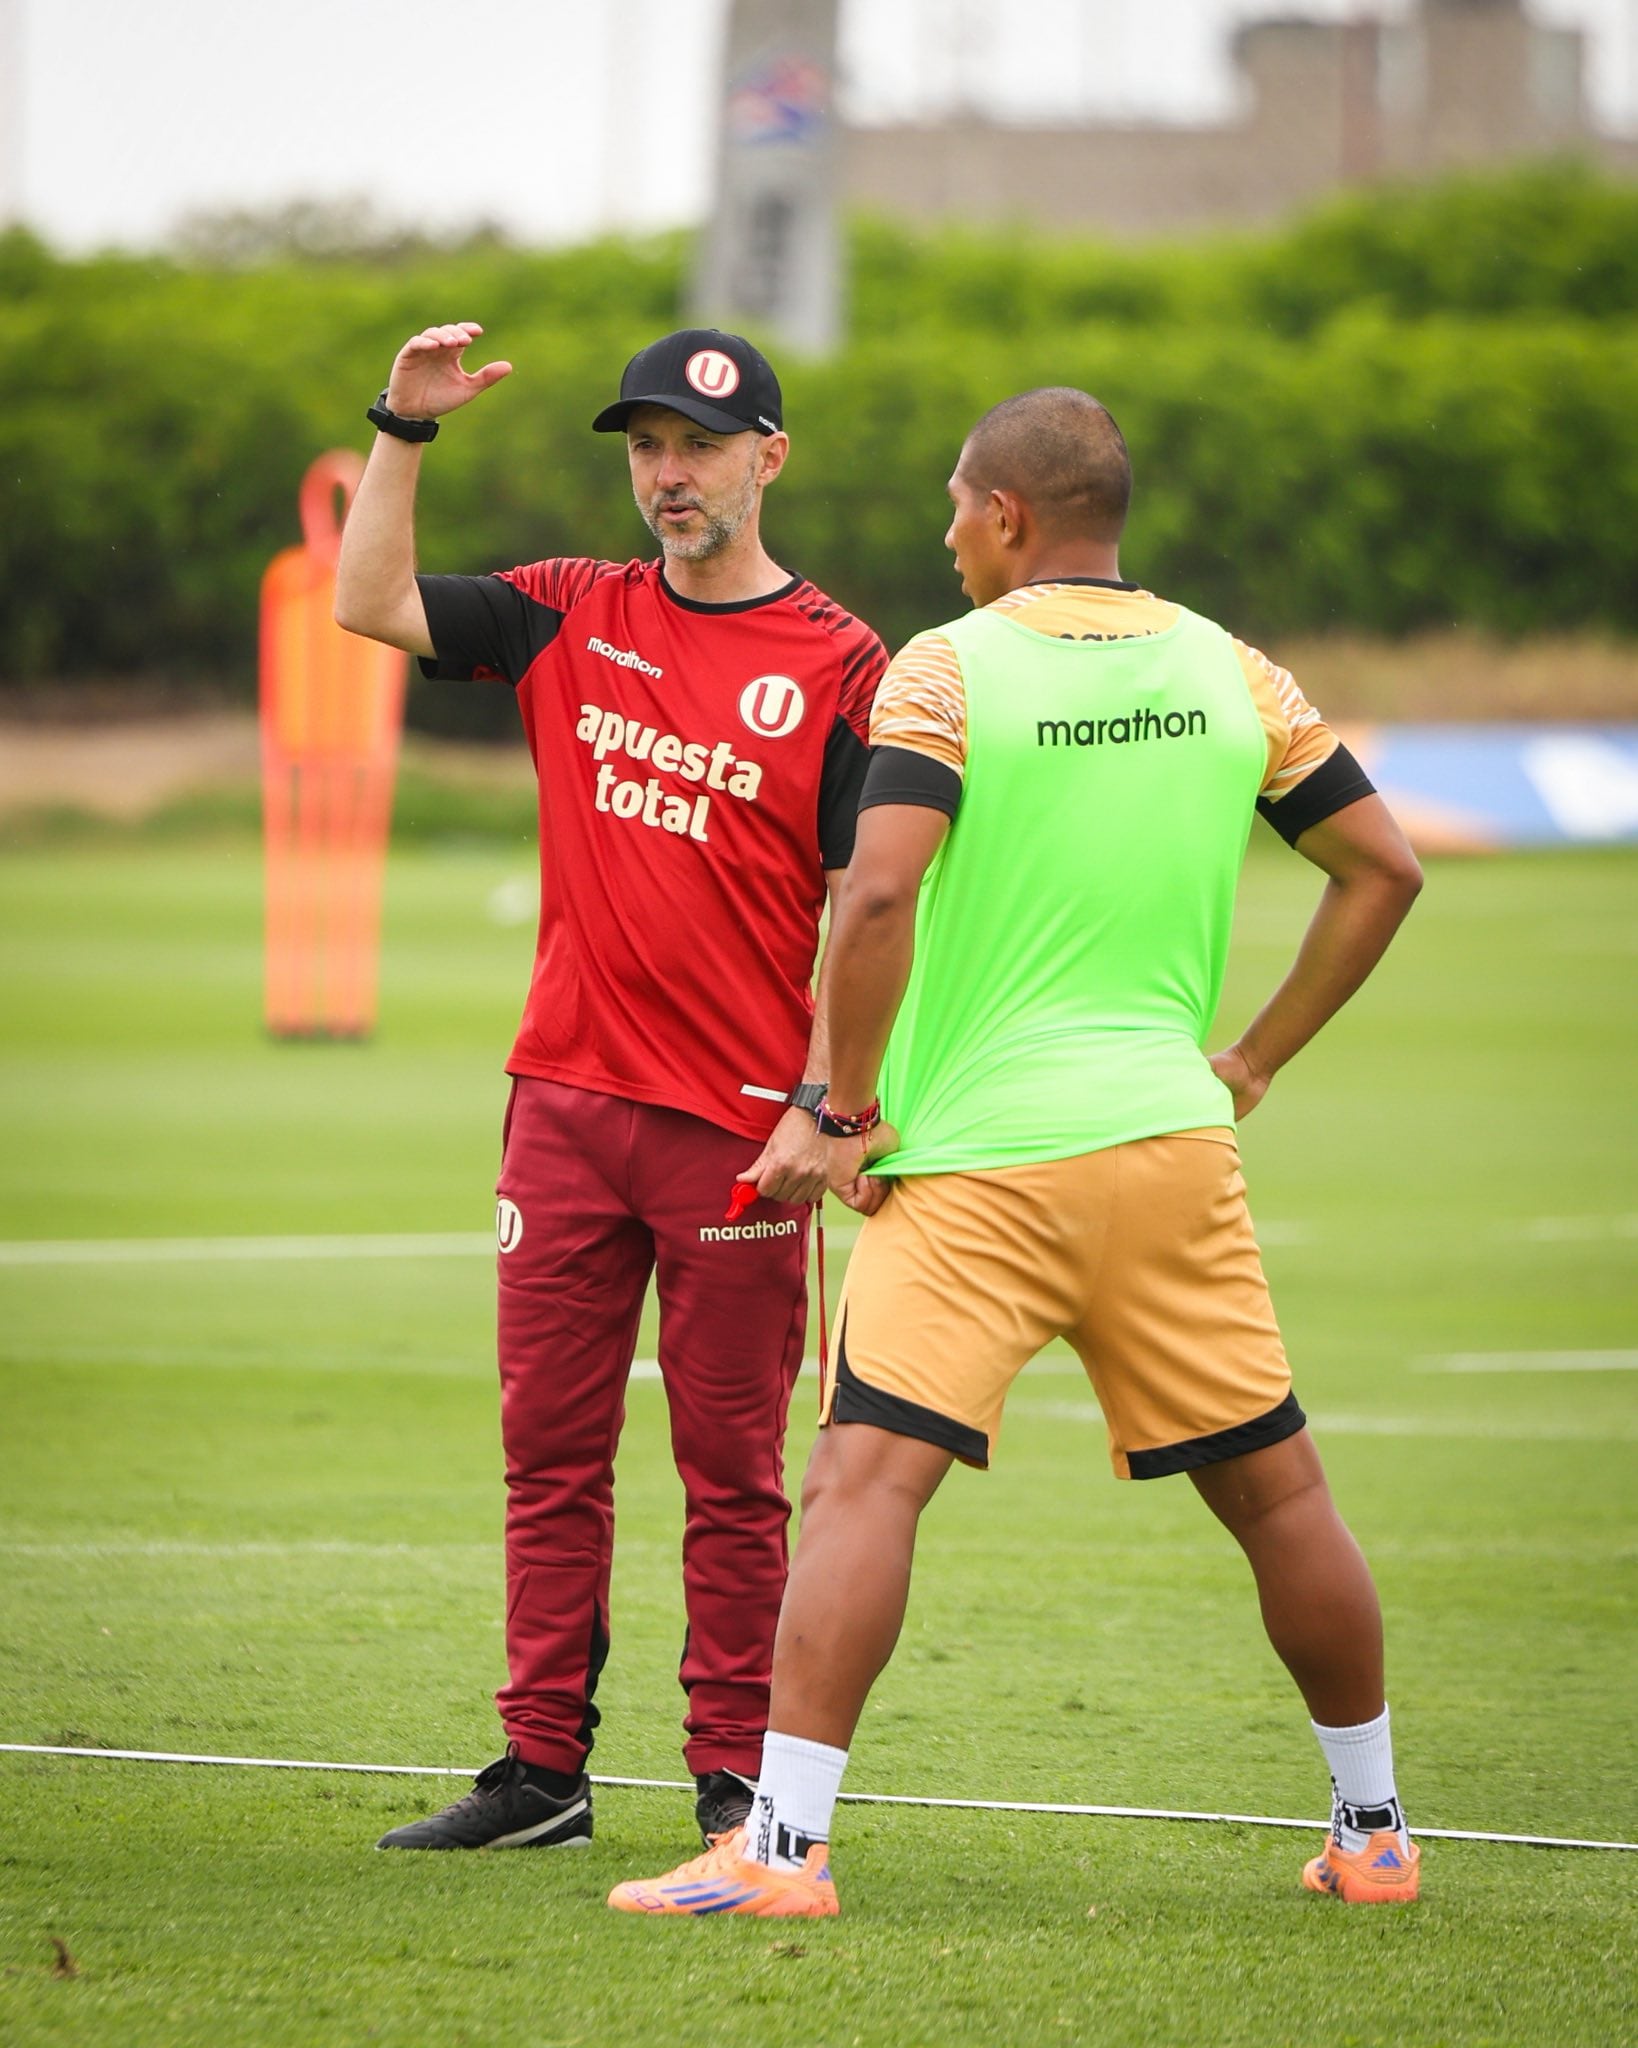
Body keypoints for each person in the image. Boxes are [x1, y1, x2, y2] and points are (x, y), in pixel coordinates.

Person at [609, 386, 1425, 1918]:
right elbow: (1381, 869)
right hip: (1172, 1150)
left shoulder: (943, 672)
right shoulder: (1231, 669)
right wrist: (1245, 1061)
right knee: (1280, 1496)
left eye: (951, 505)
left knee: (859, 1484)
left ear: (1003, 519)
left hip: (978, 1162)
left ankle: (779, 1853)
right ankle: (1374, 1834)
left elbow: (871, 899)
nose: (941, 533)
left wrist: (839, 1112)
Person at [335, 323, 887, 1853]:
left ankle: (734, 1782)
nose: (668, 475)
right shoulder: (567, 610)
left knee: (732, 1474)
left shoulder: (843, 664)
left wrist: (826, 1106)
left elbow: (868, 908)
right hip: (562, 1110)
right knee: (550, 1455)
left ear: (766, 459)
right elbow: (366, 600)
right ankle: (539, 1776)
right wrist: (403, 426)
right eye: (647, 448)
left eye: (699, 447)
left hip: (738, 1137)